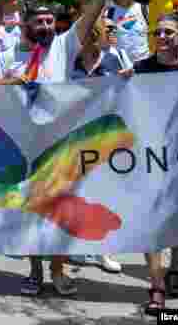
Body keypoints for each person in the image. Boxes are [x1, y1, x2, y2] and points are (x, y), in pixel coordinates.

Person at [0, 0, 117, 297]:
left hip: (59, 142)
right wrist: (11, 82)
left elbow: (90, 16)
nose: (45, 26)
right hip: (22, 143)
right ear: (26, 25)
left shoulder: (63, 45)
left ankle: (58, 270)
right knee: (30, 210)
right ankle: (34, 272)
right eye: (39, 22)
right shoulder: (10, 55)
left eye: (49, 21)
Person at [134, 14, 178, 315]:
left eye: (168, 32)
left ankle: (174, 270)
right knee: (152, 220)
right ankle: (156, 285)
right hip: (150, 155)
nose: (162, 37)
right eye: (158, 32)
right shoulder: (141, 69)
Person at [65, 16, 127, 275]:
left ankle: (105, 250)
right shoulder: (69, 62)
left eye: (95, 33)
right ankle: (77, 245)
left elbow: (127, 94)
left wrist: (127, 81)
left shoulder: (114, 60)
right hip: (75, 135)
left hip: (106, 135)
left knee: (105, 192)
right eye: (86, 34)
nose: (90, 38)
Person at [105, 0, 151, 64]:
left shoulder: (144, 9)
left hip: (143, 61)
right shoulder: (109, 11)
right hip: (119, 62)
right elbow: (108, 36)